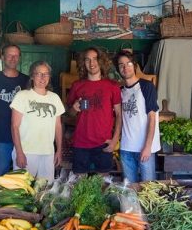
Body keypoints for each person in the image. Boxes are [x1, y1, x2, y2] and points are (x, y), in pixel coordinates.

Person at [67, 47, 122, 174]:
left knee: (103, 183)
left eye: (95, 59)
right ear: (83, 63)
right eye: (87, 60)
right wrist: (74, 109)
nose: (92, 63)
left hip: (104, 143)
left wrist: (115, 140)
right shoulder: (77, 85)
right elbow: (69, 115)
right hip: (80, 142)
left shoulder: (112, 86)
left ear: (101, 61)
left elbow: (119, 115)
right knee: (79, 185)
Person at [11, 60, 65, 183]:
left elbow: (58, 127)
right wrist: (19, 152)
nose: (42, 77)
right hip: (26, 152)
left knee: (45, 190)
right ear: (32, 76)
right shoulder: (22, 96)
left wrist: (59, 151)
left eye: (46, 74)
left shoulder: (54, 98)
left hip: (47, 153)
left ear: (49, 77)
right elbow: (14, 126)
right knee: (22, 190)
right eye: (38, 74)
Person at [113, 50, 161, 182]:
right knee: (130, 191)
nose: (125, 67)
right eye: (121, 65)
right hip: (126, 148)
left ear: (134, 65)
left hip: (145, 147)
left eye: (128, 63)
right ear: (118, 69)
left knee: (148, 189)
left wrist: (147, 146)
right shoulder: (120, 91)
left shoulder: (146, 86)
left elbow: (152, 118)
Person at [0, 44, 28, 178]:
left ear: (19, 58)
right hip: (1, 137)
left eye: (16, 55)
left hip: (23, 137)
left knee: (22, 176)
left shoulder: (26, 81)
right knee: (2, 174)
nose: (13, 58)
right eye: (9, 55)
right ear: (2, 57)